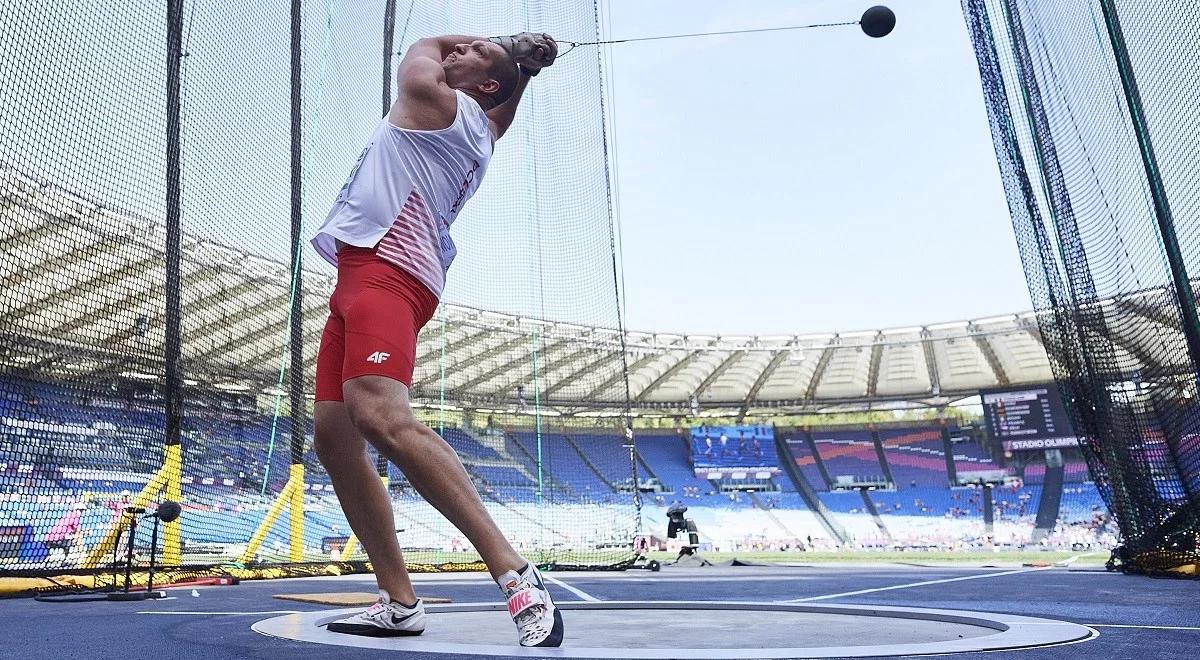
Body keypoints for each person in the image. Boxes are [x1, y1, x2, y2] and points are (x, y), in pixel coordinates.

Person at [308, 31, 563, 647]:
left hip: (387, 271)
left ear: (484, 85)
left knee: (380, 417)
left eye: (474, 52)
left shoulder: (432, 97)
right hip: (371, 271)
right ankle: (399, 603)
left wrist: (511, 48)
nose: (458, 50)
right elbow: (499, 104)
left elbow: (424, 44)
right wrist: (520, 65)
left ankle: (517, 575)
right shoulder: (481, 128)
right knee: (335, 439)